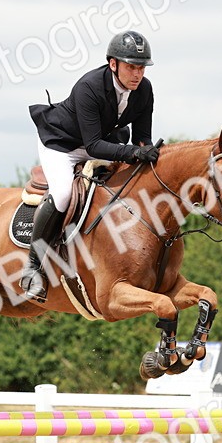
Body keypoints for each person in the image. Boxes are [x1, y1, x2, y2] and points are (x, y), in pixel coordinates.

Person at [21, 30, 161, 302]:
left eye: (141, 68)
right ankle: (33, 268)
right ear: (113, 64)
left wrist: (148, 153)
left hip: (104, 143)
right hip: (63, 144)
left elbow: (142, 138)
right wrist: (133, 152)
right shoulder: (89, 87)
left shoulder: (144, 90)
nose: (137, 74)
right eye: (131, 67)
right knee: (62, 194)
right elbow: (93, 146)